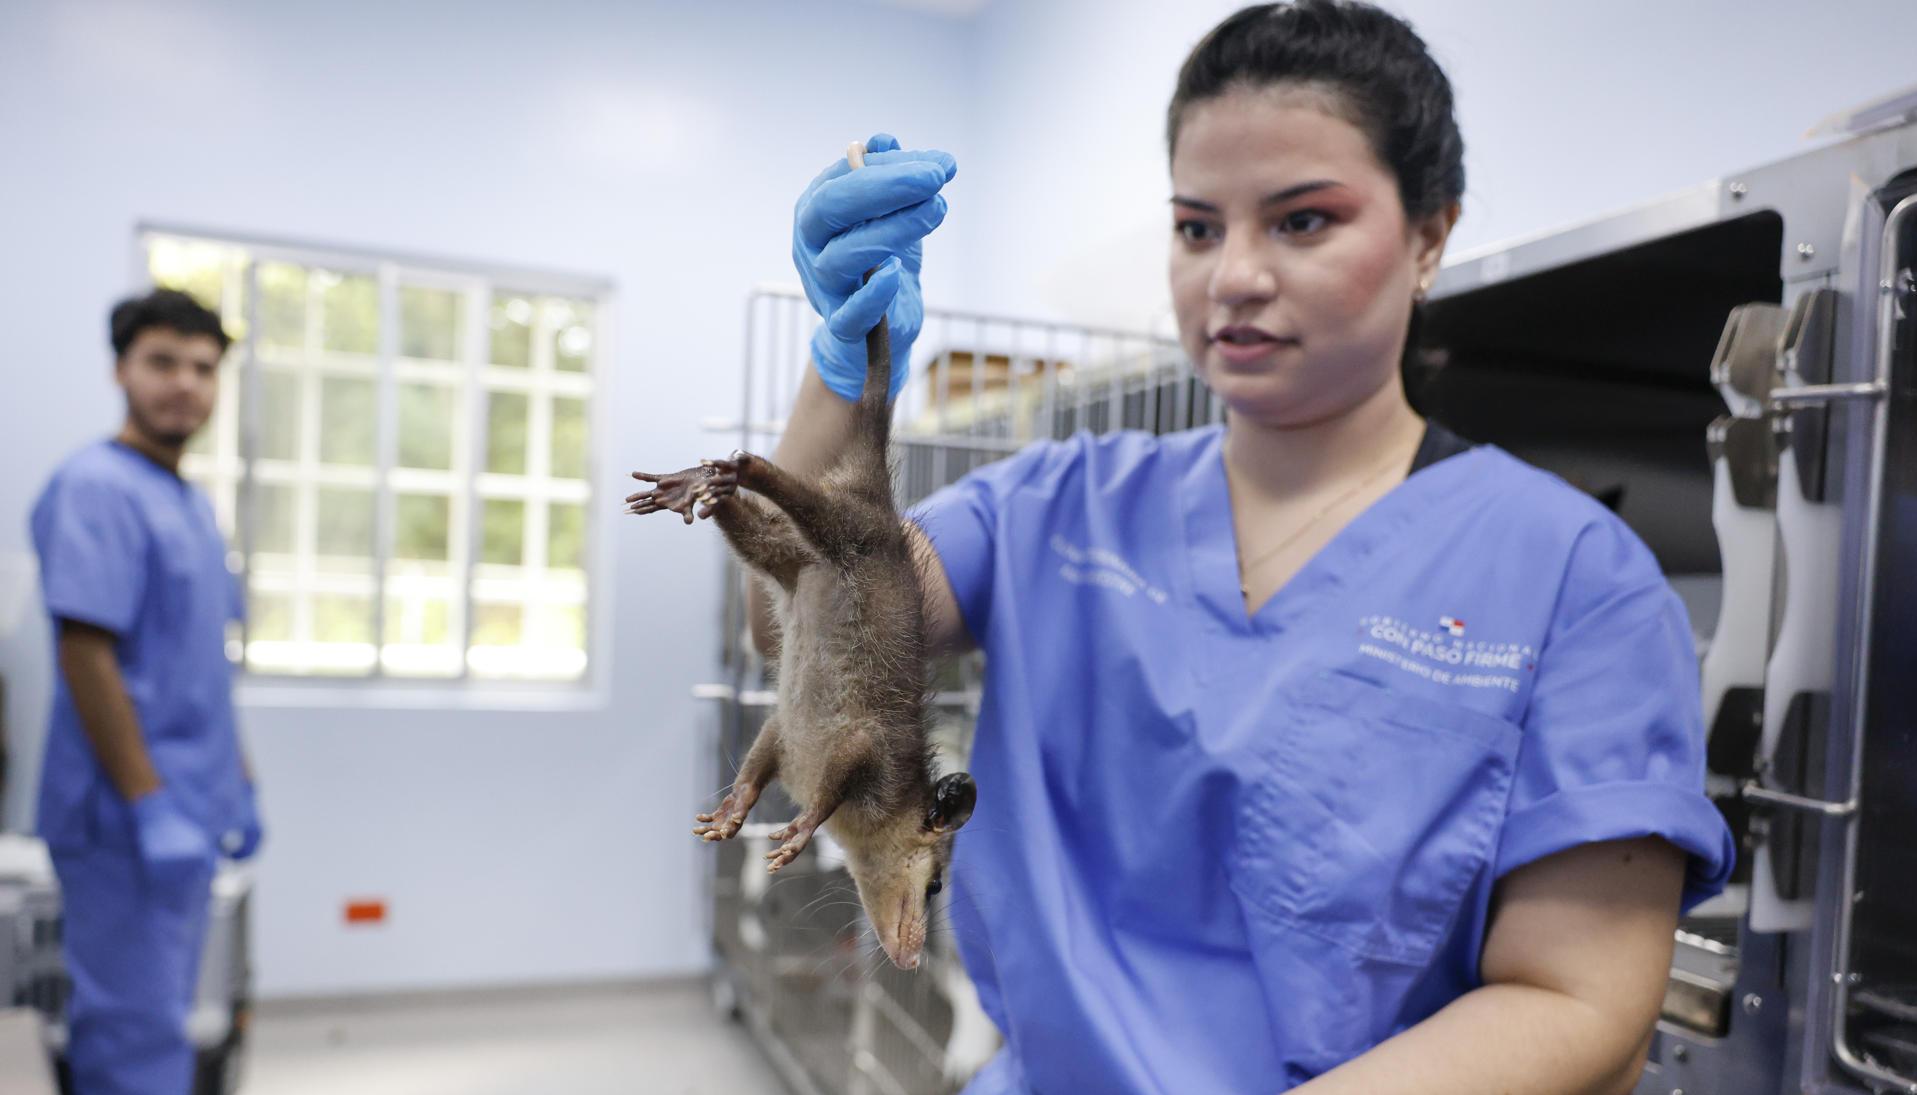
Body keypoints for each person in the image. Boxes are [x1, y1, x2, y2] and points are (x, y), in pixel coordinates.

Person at [770, 2, 1735, 1091]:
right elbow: (815, 632)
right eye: (1196, 227)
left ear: (1429, 234)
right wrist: (845, 372)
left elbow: (1576, 998)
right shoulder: (1057, 502)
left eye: (1303, 221)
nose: (1233, 274)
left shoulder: (1575, 578)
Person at [31, 288, 262, 1095]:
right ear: (121, 370)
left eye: (203, 367)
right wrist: (149, 801)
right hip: (123, 815)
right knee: (132, 1032)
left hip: (190, 800)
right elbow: (85, 652)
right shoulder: (97, 486)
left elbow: (201, 663)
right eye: (162, 361)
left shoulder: (189, 501)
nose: (185, 383)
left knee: (161, 1012)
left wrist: (240, 779)